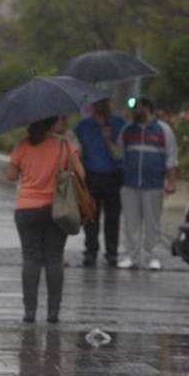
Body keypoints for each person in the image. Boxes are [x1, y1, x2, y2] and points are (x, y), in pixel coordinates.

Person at [5, 115, 85, 324]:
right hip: (56, 210)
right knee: (54, 258)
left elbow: (11, 175)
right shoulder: (64, 145)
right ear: (53, 122)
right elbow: (81, 174)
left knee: (30, 258)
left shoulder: (22, 145)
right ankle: (53, 314)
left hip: (26, 209)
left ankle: (29, 313)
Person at [114, 96, 178, 270]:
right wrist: (106, 139)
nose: (134, 111)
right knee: (130, 223)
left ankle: (153, 257)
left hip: (154, 184)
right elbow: (119, 153)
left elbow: (171, 158)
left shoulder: (163, 130)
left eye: (138, 108)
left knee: (152, 223)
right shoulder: (128, 129)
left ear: (147, 108)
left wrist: (171, 182)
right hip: (130, 184)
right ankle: (130, 256)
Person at [73, 98, 126, 267]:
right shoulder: (83, 126)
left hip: (113, 176)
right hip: (91, 176)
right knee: (90, 216)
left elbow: (122, 153)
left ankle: (111, 252)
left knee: (112, 216)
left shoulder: (119, 124)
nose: (99, 107)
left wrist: (108, 139)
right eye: (96, 104)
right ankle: (91, 250)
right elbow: (77, 149)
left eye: (103, 104)